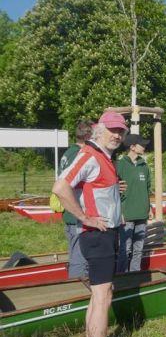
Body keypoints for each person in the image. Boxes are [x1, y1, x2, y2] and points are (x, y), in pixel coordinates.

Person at [52, 111, 128, 337]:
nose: (117, 135)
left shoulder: (105, 157)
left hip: (104, 233)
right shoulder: (90, 155)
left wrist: (117, 212)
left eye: (121, 131)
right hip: (97, 235)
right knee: (103, 295)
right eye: (113, 130)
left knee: (100, 294)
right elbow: (60, 187)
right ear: (99, 130)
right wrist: (85, 217)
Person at [59, 120, 93, 279]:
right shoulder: (78, 155)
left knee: (76, 253)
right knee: (80, 257)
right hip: (77, 212)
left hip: (71, 212)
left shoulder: (68, 153)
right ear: (88, 136)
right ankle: (78, 290)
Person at [116, 134, 153, 273]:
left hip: (142, 213)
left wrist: (149, 208)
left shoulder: (144, 165)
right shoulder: (120, 165)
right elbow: (114, 191)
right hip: (127, 214)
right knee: (125, 249)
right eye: (141, 145)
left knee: (139, 248)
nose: (144, 147)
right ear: (132, 147)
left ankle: (135, 274)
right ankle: (122, 275)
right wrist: (119, 212)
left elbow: (147, 188)